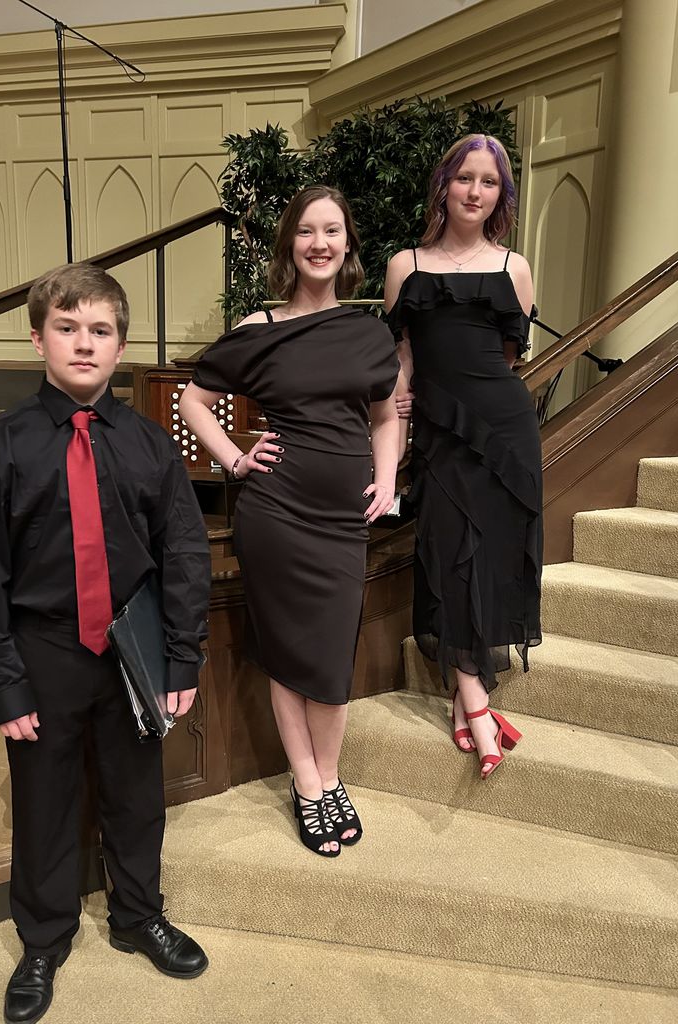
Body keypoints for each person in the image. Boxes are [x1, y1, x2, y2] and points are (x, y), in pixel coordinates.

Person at [0, 264, 211, 1024]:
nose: (84, 344)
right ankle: (43, 938)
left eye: (100, 330)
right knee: (44, 800)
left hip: (132, 647)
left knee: (135, 794)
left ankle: (137, 913)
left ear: (121, 345)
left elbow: (185, 553)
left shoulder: (153, 448)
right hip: (43, 649)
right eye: (68, 328)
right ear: (38, 339)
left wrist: (182, 655)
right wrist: (2, 679)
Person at [180, 186, 399, 856]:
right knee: (286, 657)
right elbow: (192, 401)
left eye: (333, 231)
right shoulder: (259, 329)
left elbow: (387, 417)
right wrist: (234, 460)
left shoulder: (369, 330)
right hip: (276, 514)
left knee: (330, 657)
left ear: (348, 246)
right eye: (306, 231)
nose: (320, 244)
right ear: (289, 244)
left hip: (340, 520)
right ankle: (311, 786)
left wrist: (387, 478)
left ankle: (329, 776)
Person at [384, 133, 542, 779]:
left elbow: (506, 362)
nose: (475, 192)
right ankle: (477, 703)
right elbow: (402, 363)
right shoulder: (405, 265)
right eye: (464, 178)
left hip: (503, 431)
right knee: (450, 553)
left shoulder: (514, 268)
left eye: (489, 182)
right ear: (444, 184)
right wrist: (397, 421)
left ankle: (466, 696)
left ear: (501, 194)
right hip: (439, 432)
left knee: (493, 558)